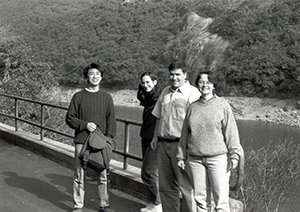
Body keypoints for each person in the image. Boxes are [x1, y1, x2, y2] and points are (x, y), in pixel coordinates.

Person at [177, 71, 244, 212]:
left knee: (220, 201)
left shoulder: (222, 105)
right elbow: (185, 133)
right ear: (197, 84)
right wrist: (181, 155)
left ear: (214, 85)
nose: (205, 85)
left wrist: (234, 155)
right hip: (195, 159)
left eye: (208, 82)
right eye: (201, 82)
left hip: (218, 159)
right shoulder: (193, 107)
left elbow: (231, 131)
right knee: (200, 200)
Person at [66, 63, 117, 212]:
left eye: (97, 73)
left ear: (101, 76)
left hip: (101, 143)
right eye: (91, 73)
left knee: (102, 174)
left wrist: (108, 140)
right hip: (82, 141)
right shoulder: (78, 97)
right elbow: (70, 118)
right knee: (79, 174)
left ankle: (104, 204)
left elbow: (111, 121)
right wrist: (84, 125)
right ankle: (78, 205)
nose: (95, 76)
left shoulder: (107, 98)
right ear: (87, 76)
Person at [150, 61, 201, 212]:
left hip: (181, 147)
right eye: (171, 74)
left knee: (186, 188)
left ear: (185, 75)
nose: (174, 78)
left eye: (178, 74)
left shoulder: (193, 93)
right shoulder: (165, 91)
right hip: (163, 144)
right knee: (166, 187)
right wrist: (154, 138)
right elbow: (159, 116)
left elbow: (195, 124)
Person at [137, 72, 162, 212]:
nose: (145, 85)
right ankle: (154, 203)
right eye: (143, 83)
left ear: (155, 82)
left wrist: (157, 137)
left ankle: (158, 204)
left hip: (155, 140)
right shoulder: (146, 98)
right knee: (151, 173)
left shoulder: (161, 98)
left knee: (148, 173)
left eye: (148, 82)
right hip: (145, 137)